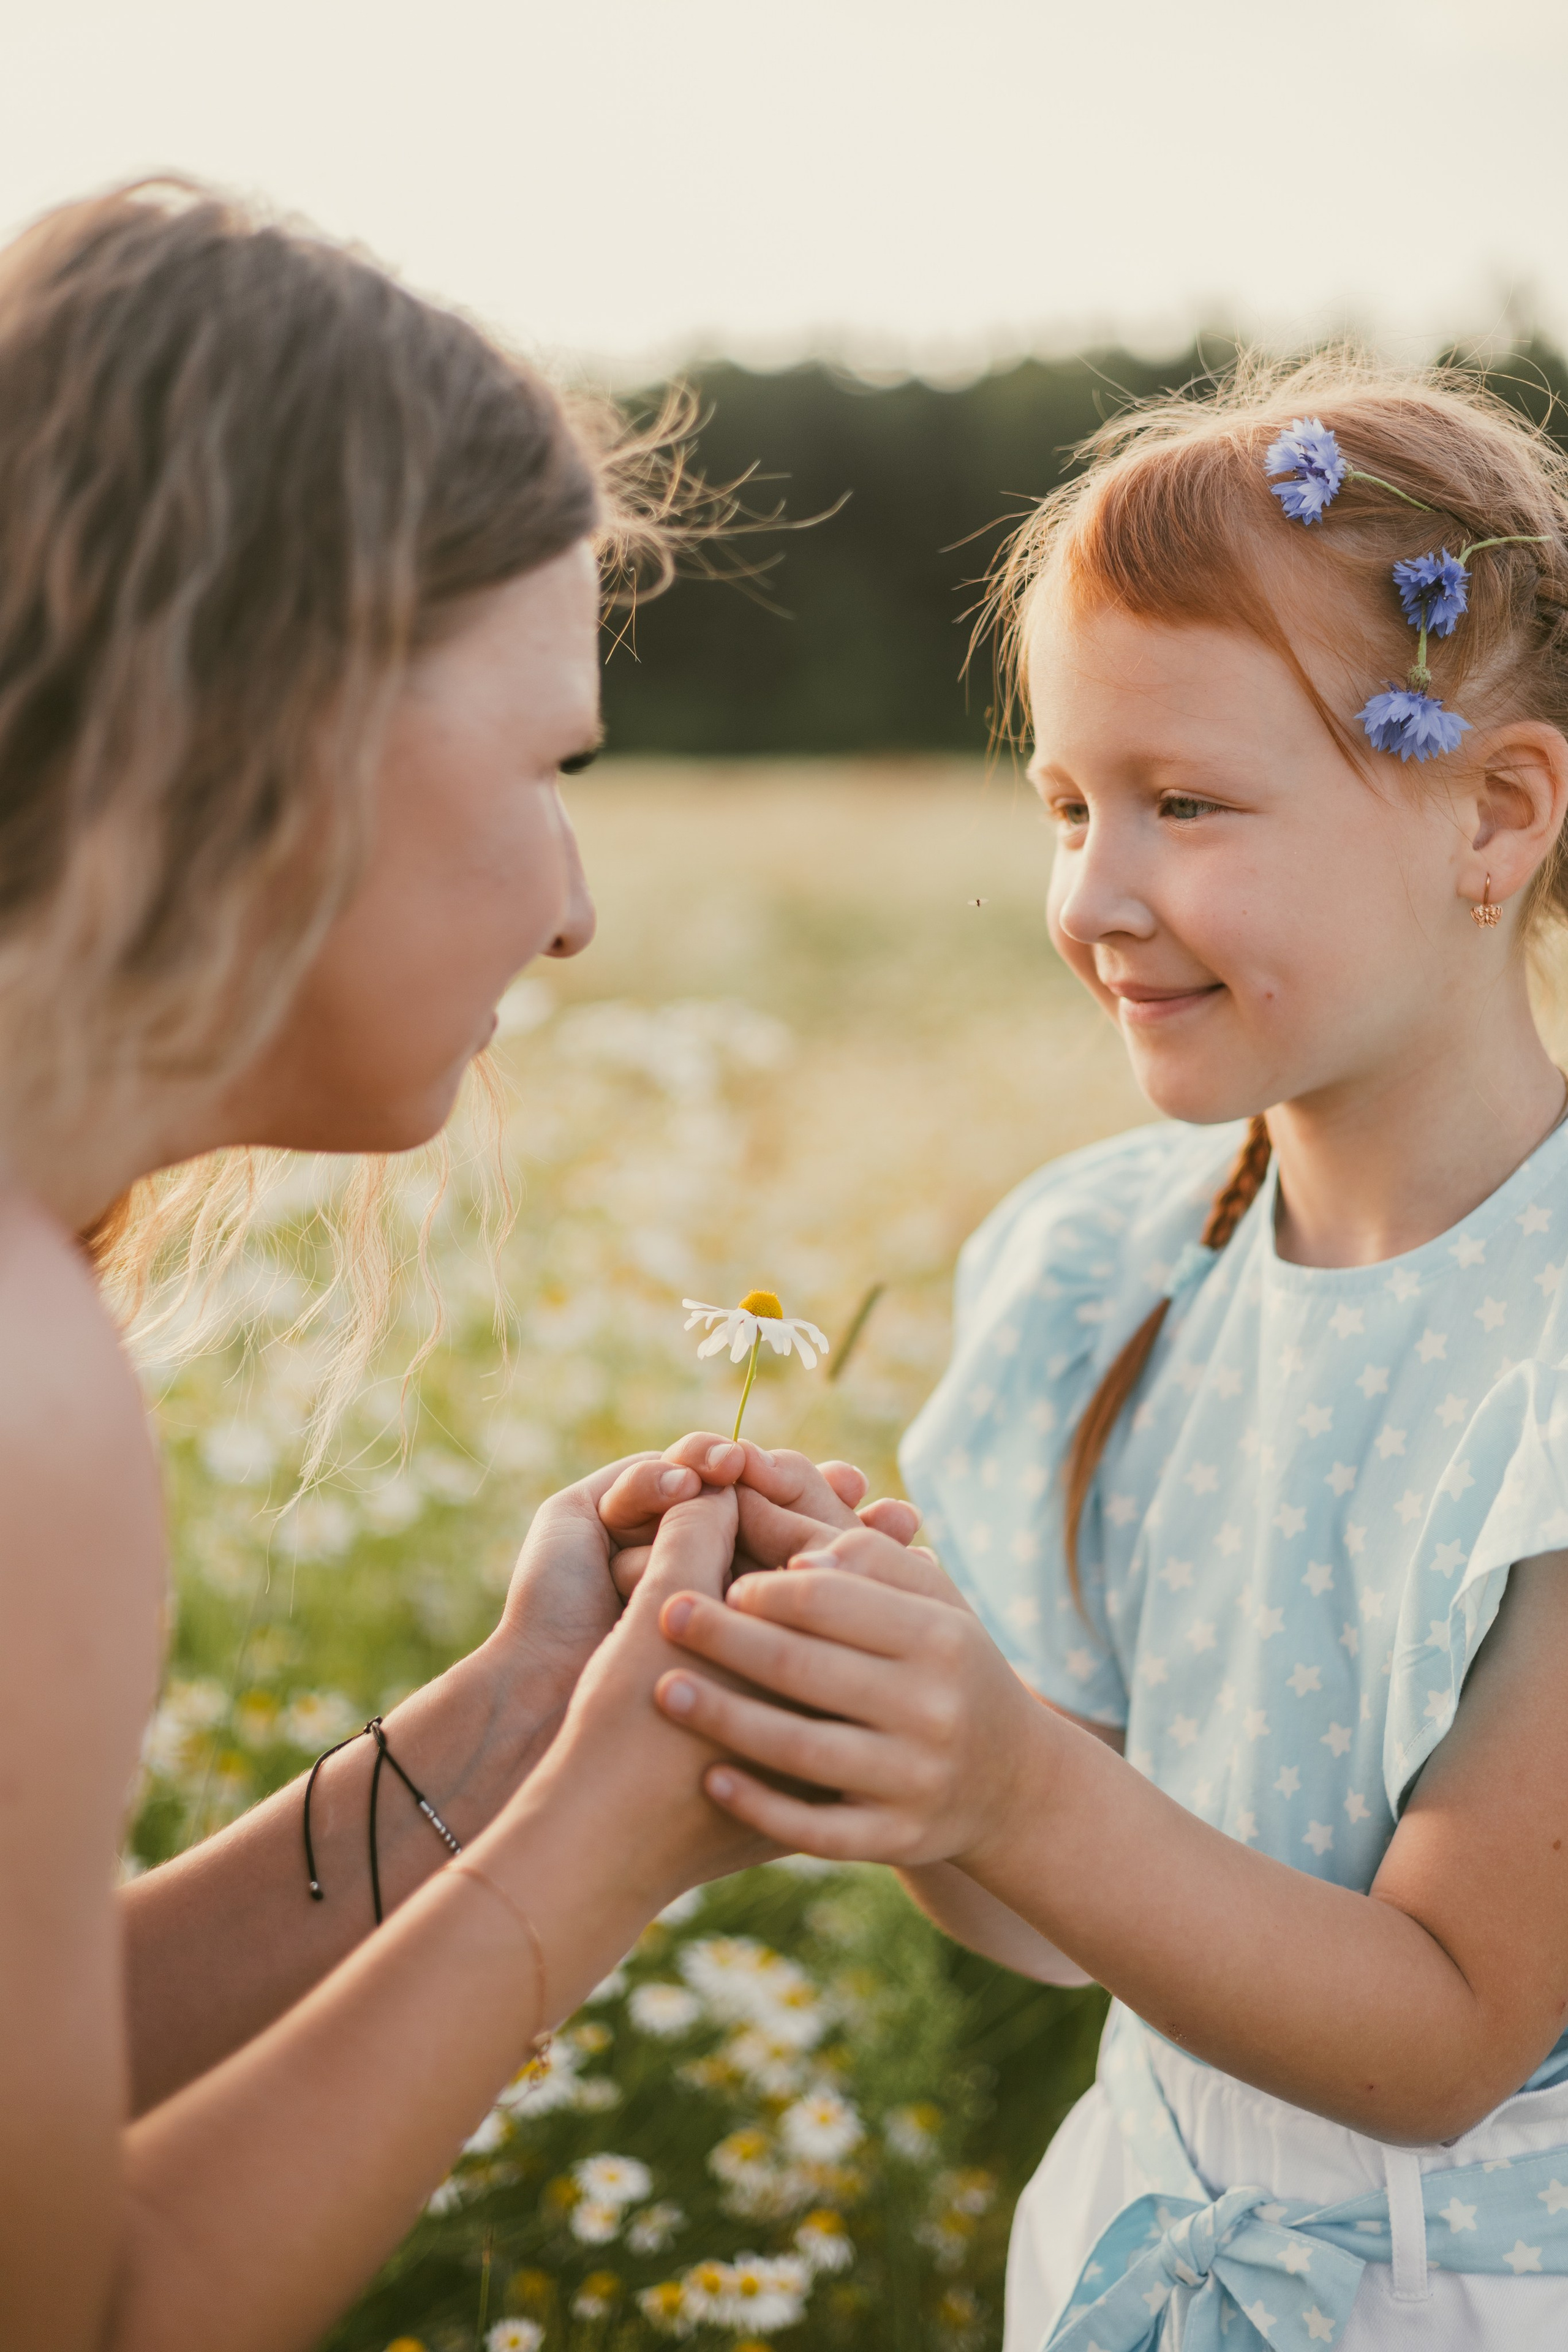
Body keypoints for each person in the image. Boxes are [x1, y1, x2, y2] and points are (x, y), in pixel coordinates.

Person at [0, 180, 919, 2352]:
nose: (577, 907)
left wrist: (506, 1737)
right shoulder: (26, 1391)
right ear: (269, 741)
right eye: (550, 765)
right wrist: (606, 1835)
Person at [649, 358, 1568, 2348]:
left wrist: (1008, 1788)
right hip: (1138, 2254)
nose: (1095, 897)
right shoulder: (1101, 1276)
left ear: (1494, 814)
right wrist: (881, 1706)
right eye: (1069, 803)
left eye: (1188, 805)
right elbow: (1040, 1918)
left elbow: (1445, 2040)